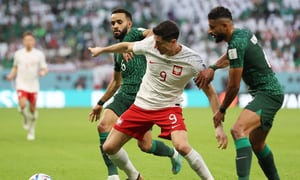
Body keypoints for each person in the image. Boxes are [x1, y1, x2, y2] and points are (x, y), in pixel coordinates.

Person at [89, 20, 228, 180]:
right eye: (154, 42)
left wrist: (218, 127)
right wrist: (102, 50)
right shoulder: (150, 44)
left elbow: (210, 93)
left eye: (159, 43)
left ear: (173, 42)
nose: (155, 46)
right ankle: (135, 177)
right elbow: (127, 46)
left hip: (169, 108)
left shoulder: (193, 61)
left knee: (182, 146)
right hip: (141, 106)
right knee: (109, 147)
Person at [88, 9, 182, 180]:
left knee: (145, 145)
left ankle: (173, 153)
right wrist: (100, 103)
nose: (115, 26)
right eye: (112, 23)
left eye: (119, 22)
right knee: (103, 127)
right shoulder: (117, 52)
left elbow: (154, 33)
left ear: (129, 24)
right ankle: (115, 175)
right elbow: (116, 82)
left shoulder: (137, 35)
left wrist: (132, 46)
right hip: (124, 95)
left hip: (143, 99)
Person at [195, 6, 284, 180]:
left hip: (268, 93)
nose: (210, 31)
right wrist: (213, 67)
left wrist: (221, 110)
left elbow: (234, 86)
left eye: (213, 27)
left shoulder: (236, 43)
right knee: (257, 144)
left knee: (238, 130)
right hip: (269, 92)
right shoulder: (242, 34)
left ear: (225, 27)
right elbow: (230, 55)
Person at [6, 31, 48, 141]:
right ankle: (25, 118)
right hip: (21, 83)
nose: (28, 42)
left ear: (34, 41)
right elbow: (15, 67)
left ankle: (31, 129)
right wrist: (11, 75)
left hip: (33, 85)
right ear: (23, 41)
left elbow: (45, 67)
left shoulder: (39, 54)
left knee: (33, 110)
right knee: (22, 105)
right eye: (26, 40)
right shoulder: (18, 54)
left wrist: (43, 72)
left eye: (30, 40)